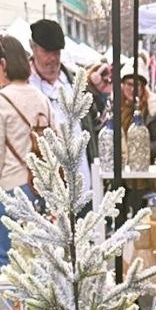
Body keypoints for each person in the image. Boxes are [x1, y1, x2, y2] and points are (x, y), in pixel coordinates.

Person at [0, 35, 51, 273]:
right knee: (39, 259)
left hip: (12, 187)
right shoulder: (41, 97)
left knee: (9, 261)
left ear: (3, 63)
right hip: (40, 187)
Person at [29, 19, 91, 198]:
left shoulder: (73, 82)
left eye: (57, 52)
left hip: (82, 184)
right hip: (46, 190)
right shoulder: (25, 87)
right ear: (34, 49)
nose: (53, 59)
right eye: (47, 52)